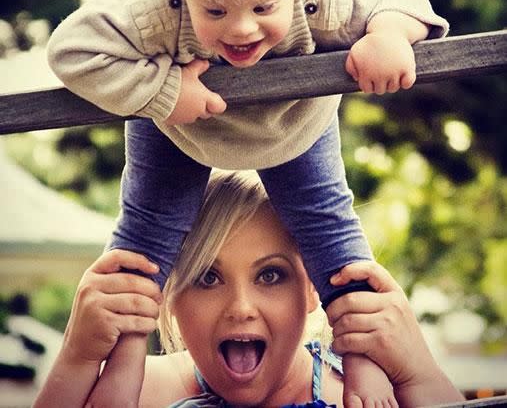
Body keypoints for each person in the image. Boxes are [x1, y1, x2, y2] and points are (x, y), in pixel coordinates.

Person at [45, 0, 449, 406]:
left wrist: (389, 32)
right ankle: (122, 368)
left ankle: (366, 364)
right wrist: (165, 92)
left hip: (295, 123)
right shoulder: (153, 9)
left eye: (262, 7)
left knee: (331, 230)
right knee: (143, 235)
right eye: (214, 9)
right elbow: (71, 51)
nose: (240, 29)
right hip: (179, 123)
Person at [33, 171, 464, 408]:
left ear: (313, 289)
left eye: (270, 275)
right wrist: (78, 356)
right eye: (208, 277)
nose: (241, 307)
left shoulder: (372, 395)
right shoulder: (138, 394)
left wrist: (418, 370)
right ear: (169, 295)